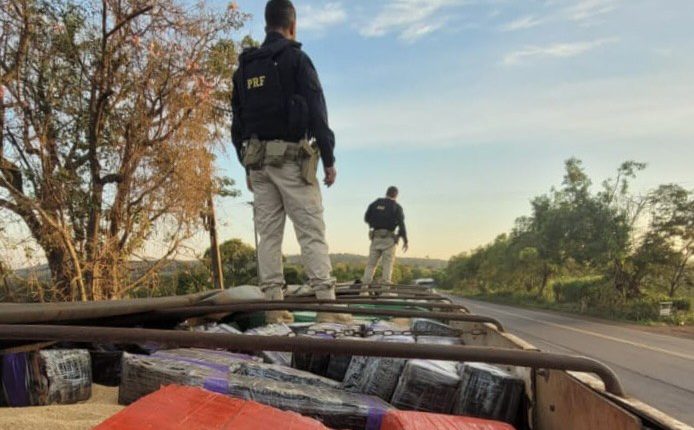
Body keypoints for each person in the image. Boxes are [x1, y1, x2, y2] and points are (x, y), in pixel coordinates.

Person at [231, 0, 343, 323]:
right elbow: (318, 112)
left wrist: (246, 167)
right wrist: (329, 159)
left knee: (269, 236)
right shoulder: (296, 59)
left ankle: (273, 308)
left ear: (266, 25)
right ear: (292, 25)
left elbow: (236, 124)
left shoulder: (245, 68)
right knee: (310, 231)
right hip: (291, 162)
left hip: (258, 165)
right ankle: (328, 309)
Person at [361, 186, 409, 292]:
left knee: (371, 265)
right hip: (389, 239)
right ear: (396, 195)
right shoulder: (396, 207)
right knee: (387, 264)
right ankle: (385, 292)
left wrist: (373, 224)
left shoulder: (375, 203)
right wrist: (405, 240)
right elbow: (401, 224)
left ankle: (364, 291)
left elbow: (366, 218)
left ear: (386, 193)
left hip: (376, 237)